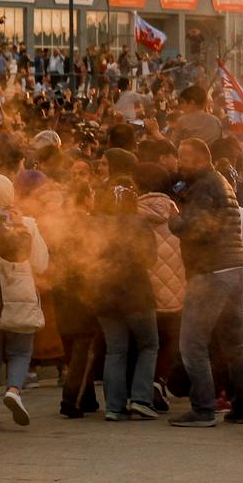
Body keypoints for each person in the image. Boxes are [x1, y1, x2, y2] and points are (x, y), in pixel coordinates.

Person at [167, 138, 243, 427]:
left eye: (185, 158)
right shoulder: (219, 182)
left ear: (202, 160)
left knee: (192, 343)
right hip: (233, 268)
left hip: (211, 271)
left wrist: (174, 221)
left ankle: (203, 408)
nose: (180, 163)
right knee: (233, 342)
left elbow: (199, 227)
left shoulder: (204, 186)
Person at [90, 178, 160, 422]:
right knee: (149, 345)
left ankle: (114, 406)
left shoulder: (96, 225)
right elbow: (151, 258)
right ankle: (141, 399)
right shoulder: (139, 223)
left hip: (103, 293)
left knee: (115, 350)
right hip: (136, 293)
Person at [0, 176, 48, 426]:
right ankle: (14, 391)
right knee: (20, 350)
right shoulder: (26, 223)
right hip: (21, 297)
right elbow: (40, 263)